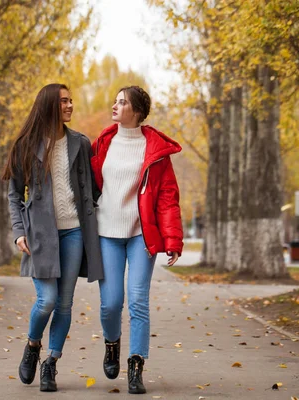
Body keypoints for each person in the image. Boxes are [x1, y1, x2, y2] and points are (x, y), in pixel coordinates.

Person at [2, 83, 103, 392]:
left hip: (74, 232)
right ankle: (33, 345)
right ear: (48, 105)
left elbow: (93, 187)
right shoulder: (25, 145)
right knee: (47, 300)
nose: (70, 105)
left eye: (71, 100)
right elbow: (14, 195)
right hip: (40, 236)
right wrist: (19, 232)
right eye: (63, 101)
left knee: (65, 303)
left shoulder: (80, 143)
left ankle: (51, 363)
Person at [90, 85, 183, 394]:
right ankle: (112, 343)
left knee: (138, 301)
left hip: (141, 236)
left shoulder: (154, 149)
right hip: (107, 234)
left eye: (122, 102)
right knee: (111, 303)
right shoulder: (103, 142)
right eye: (115, 100)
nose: (115, 106)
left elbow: (167, 198)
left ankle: (135, 365)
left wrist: (172, 240)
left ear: (138, 113)